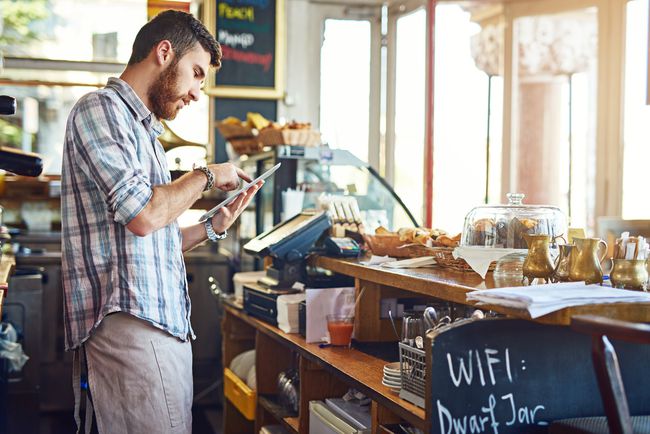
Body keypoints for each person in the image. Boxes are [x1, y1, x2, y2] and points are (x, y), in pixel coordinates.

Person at [61, 10, 259, 434]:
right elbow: (145, 215)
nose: (194, 93)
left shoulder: (144, 131)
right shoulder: (101, 110)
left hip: (156, 326)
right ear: (164, 52)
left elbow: (151, 237)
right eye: (195, 74)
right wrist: (206, 175)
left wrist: (212, 226)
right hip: (134, 326)